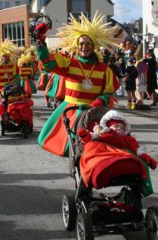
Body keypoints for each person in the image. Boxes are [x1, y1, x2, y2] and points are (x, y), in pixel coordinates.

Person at [34, 11, 120, 157]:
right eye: (81, 44)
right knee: (72, 147)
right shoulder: (68, 63)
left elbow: (110, 93)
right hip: (71, 111)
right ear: (77, 45)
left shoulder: (104, 69)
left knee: (98, 146)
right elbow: (47, 63)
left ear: (93, 46)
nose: (84, 47)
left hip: (93, 113)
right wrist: (41, 42)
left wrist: (101, 100)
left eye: (88, 44)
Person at [77, 110, 157, 187]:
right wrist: (86, 135)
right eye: (116, 126)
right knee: (92, 145)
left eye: (121, 128)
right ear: (109, 127)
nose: (119, 129)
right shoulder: (103, 134)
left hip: (122, 155)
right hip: (105, 154)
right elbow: (92, 137)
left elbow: (137, 151)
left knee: (137, 160)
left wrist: (147, 158)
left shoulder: (128, 139)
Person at [0, 40, 19, 120]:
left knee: (12, 103)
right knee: (1, 104)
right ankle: (3, 117)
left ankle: (12, 116)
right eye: (3, 56)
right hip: (1, 87)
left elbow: (16, 75)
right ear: (0, 56)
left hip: (11, 87)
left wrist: (16, 84)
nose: (5, 58)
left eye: (6, 56)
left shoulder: (14, 65)